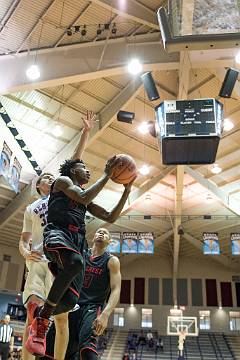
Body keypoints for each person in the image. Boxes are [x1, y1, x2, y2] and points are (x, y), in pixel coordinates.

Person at [26, 157, 135, 357]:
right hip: (58, 234)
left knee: (68, 303)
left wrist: (126, 191)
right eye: (83, 168)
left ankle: (40, 315)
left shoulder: (85, 197)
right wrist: (107, 174)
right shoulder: (63, 182)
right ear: (72, 170)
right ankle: (43, 321)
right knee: (75, 263)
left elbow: (110, 217)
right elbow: (82, 196)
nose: (87, 172)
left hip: (76, 241)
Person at [19, 111, 97, 360]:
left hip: (59, 259)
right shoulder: (32, 208)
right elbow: (23, 239)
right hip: (39, 260)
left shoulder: (63, 193)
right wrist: (24, 253)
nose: (51, 178)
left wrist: (85, 133)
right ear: (40, 185)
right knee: (33, 316)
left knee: (61, 319)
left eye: (53, 177)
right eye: (46, 178)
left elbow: (73, 163)